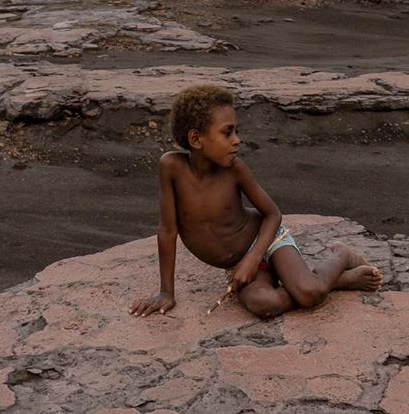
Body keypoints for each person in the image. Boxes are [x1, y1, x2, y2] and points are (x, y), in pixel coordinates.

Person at [130, 84, 382, 318]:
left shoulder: (235, 170)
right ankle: (335, 282)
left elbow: (273, 214)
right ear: (196, 139)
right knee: (264, 305)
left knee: (310, 294)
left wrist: (253, 258)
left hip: (269, 242)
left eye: (236, 131)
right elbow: (167, 230)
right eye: (227, 132)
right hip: (240, 265)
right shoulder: (171, 168)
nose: (237, 140)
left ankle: (341, 256)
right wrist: (166, 292)